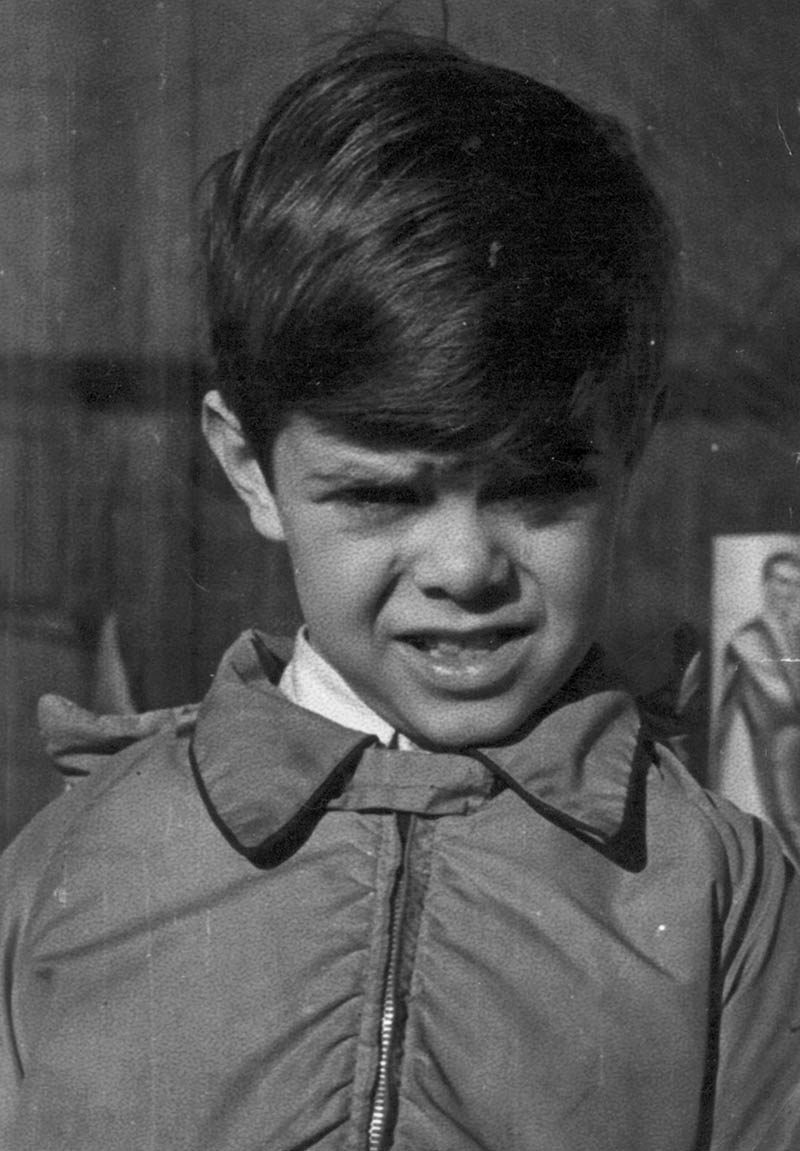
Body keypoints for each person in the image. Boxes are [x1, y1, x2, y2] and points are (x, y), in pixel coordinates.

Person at [2, 31, 799, 1151]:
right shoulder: (73, 868)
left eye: (535, 487)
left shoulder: (723, 893)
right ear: (249, 467)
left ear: (631, 443)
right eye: (380, 495)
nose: (464, 567)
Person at [714, 549, 800, 866]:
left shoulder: (796, 634)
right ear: (766, 584)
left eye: (796, 584)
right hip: (777, 749)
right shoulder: (747, 640)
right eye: (782, 581)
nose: (789, 591)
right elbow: (785, 699)